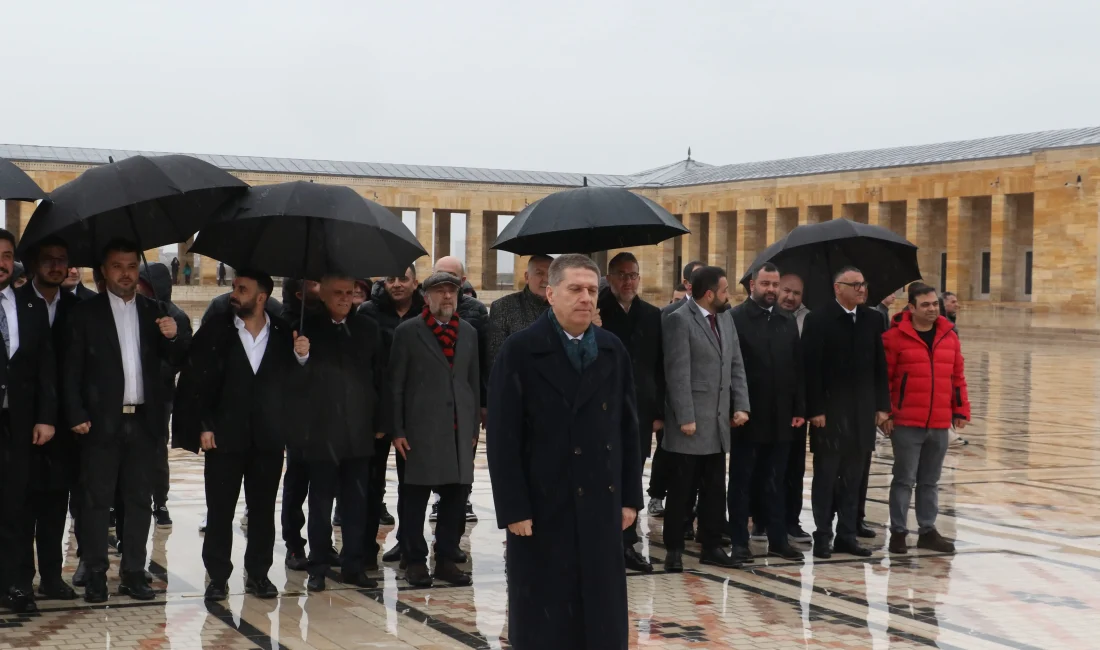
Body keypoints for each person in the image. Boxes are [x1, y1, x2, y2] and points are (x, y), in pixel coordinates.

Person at [488, 254, 643, 650]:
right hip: (543, 506)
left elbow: (628, 430)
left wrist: (630, 498)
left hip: (599, 505)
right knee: (548, 618)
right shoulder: (520, 351)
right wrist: (513, 507)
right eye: (575, 289)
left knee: (600, 619)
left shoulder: (612, 349)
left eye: (592, 290)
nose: (586, 298)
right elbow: (503, 437)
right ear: (550, 293)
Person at [63, 239, 190, 603]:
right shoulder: (86, 314)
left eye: (132, 266)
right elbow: (71, 370)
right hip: (101, 422)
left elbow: (177, 361)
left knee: (138, 500)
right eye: (117, 267)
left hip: (144, 422)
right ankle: (97, 572)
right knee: (96, 500)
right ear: (103, 272)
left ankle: (135, 572)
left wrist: (172, 336)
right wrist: (76, 414)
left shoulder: (155, 311)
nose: (125, 274)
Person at [173, 270, 309, 601]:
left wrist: (301, 357)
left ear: (261, 297)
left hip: (268, 440)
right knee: (220, 510)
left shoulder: (283, 334)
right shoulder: (216, 330)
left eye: (242, 289)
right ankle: (218, 576)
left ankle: (259, 574)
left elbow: (294, 387)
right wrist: (203, 424)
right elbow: (196, 382)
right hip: (223, 437)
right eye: (234, 287)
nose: (234, 293)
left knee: (262, 510)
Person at [293, 275, 386, 592]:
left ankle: (353, 564)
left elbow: (380, 377)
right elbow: (293, 379)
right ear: (324, 295)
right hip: (321, 432)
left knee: (356, 504)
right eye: (339, 293)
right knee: (319, 505)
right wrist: (301, 355)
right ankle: (318, 566)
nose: (346, 298)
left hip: (358, 430)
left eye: (351, 293)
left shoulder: (368, 328)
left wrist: (380, 421)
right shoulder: (308, 328)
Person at [390, 271, 479, 587]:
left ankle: (445, 558)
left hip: (458, 429)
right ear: (425, 296)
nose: (446, 297)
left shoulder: (467, 332)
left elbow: (472, 381)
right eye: (439, 292)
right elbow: (397, 385)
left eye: (451, 292)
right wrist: (397, 429)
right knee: (414, 498)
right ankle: (414, 560)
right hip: (419, 430)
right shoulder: (408, 332)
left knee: (456, 498)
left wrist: (474, 427)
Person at [661, 265, 748, 571]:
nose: (729, 296)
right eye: (724, 290)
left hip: (718, 420)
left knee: (714, 489)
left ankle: (711, 545)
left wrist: (742, 405)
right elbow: (677, 373)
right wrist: (685, 416)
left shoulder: (726, 319)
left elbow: (736, 364)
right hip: (690, 423)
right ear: (709, 294)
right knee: (682, 490)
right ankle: (673, 548)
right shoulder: (678, 321)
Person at [801, 266, 889, 559]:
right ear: (838, 288)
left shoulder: (873, 319)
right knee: (827, 477)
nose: (862, 289)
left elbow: (880, 365)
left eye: (863, 284)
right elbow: (810, 369)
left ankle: (847, 534)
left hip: (863, 412)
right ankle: (823, 534)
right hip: (830, 413)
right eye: (855, 285)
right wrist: (815, 409)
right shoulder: (819, 319)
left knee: (854, 477)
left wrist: (882, 406)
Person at [882, 283, 970, 555]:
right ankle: (898, 531)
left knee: (930, 480)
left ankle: (927, 530)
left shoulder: (949, 336)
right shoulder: (894, 338)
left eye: (935, 304)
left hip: (939, 420)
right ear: (911, 308)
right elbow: (884, 379)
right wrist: (884, 412)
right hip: (907, 420)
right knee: (904, 479)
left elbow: (957, 376)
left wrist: (960, 409)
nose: (932, 309)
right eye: (926, 305)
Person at [15, 237, 79, 605]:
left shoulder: (77, 307)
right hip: (24, 421)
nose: (56, 266)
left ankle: (52, 576)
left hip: (64, 425)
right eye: (49, 260)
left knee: (56, 504)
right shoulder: (18, 305)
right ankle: (21, 577)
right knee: (22, 505)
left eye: (62, 260)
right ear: (34, 264)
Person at [727, 263, 805, 562]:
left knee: (776, 480)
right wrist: (736, 407)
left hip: (782, 416)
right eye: (766, 284)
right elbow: (732, 369)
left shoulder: (786, 321)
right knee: (742, 481)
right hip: (747, 417)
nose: (772, 290)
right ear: (752, 286)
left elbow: (797, 368)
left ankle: (777, 539)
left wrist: (799, 408)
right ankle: (739, 541)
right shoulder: (735, 318)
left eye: (775, 284)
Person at [0, 230, 57, 614]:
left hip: (18, 423)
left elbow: (45, 367)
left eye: (6, 254)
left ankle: (16, 584)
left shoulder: (29, 306)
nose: (1, 262)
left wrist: (46, 418)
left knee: (16, 506)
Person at [597, 252, 664, 573]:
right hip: (603, 409)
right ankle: (604, 540)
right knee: (603, 476)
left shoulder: (652, 315)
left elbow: (660, 366)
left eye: (633, 275)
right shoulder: (596, 311)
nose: (628, 281)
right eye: (622, 275)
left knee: (632, 476)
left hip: (640, 410)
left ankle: (627, 542)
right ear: (609, 279)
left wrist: (660, 410)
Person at [359, 267, 423, 564]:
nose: (397, 284)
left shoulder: (425, 313)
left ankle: (408, 543)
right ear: (382, 282)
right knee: (371, 483)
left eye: (403, 279)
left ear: (415, 282)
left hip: (413, 411)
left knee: (411, 483)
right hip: (375, 409)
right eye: (391, 279)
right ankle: (365, 545)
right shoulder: (367, 313)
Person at [135, 262, 193, 529]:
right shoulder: (133, 309)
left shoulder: (176, 317)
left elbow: (182, 357)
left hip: (160, 395)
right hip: (132, 393)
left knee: (157, 451)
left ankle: (160, 501)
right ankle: (119, 503)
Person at [432, 256, 489, 524]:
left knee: (464, 451)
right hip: (432, 398)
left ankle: (462, 500)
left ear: (462, 283)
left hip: (463, 395)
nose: (444, 286)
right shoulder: (423, 312)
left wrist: (483, 402)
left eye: (451, 279)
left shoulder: (477, 312)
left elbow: (483, 360)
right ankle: (436, 500)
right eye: (438, 276)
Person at [775, 272, 812, 545]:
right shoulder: (762, 316)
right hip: (768, 405)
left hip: (798, 406)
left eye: (796, 293)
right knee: (767, 467)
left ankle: (792, 519)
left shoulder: (810, 320)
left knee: (794, 467)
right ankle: (763, 517)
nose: (790, 297)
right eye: (785, 290)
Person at [486, 254, 552, 368]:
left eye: (551, 274)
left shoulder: (565, 308)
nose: (546, 279)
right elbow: (496, 360)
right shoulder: (503, 307)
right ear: (527, 277)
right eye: (539, 273)